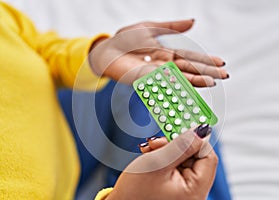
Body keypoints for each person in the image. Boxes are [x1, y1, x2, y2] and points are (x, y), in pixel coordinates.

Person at [0, 2, 228, 199]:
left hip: (51, 128)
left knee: (146, 66)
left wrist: (96, 56)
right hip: (48, 186)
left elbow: (38, 47)